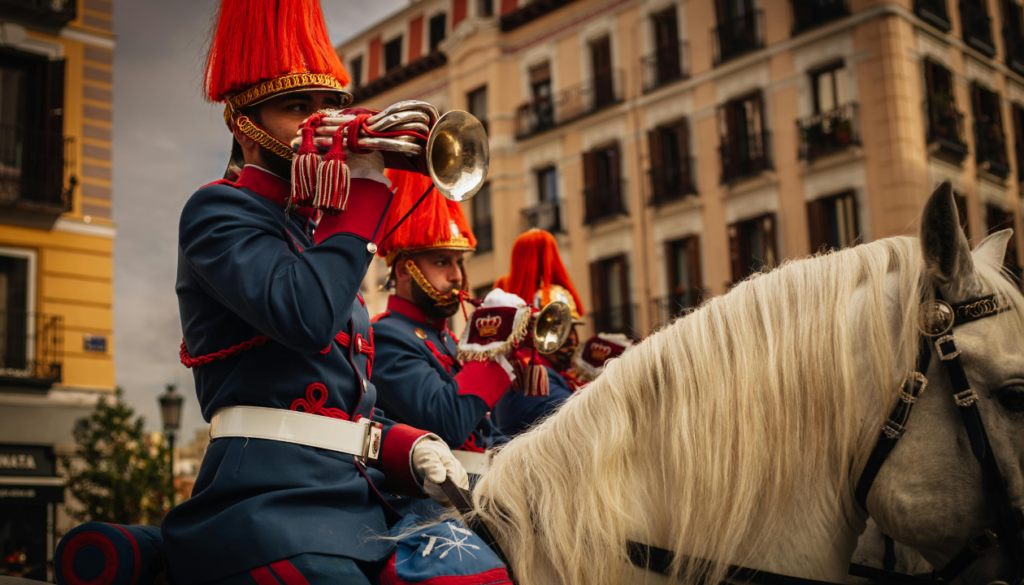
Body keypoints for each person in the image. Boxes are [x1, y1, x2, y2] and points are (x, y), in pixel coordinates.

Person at [161, 2, 468, 584]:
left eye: (330, 107)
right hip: (265, 505)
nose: (319, 122)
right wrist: (366, 189)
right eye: (296, 107)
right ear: (240, 123)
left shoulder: (320, 232)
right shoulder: (217, 209)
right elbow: (305, 317)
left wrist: (406, 447)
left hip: (354, 501)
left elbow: (341, 399)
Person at [370, 171, 515, 493]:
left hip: (481, 488)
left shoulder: (447, 340)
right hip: (432, 501)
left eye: (459, 262)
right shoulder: (386, 335)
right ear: (406, 269)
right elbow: (447, 423)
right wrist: (492, 348)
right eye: (441, 262)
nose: (457, 276)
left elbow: (484, 435)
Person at [491, 229, 586, 435]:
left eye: (573, 329)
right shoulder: (530, 377)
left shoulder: (554, 372)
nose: (571, 338)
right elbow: (588, 419)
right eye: (561, 329)